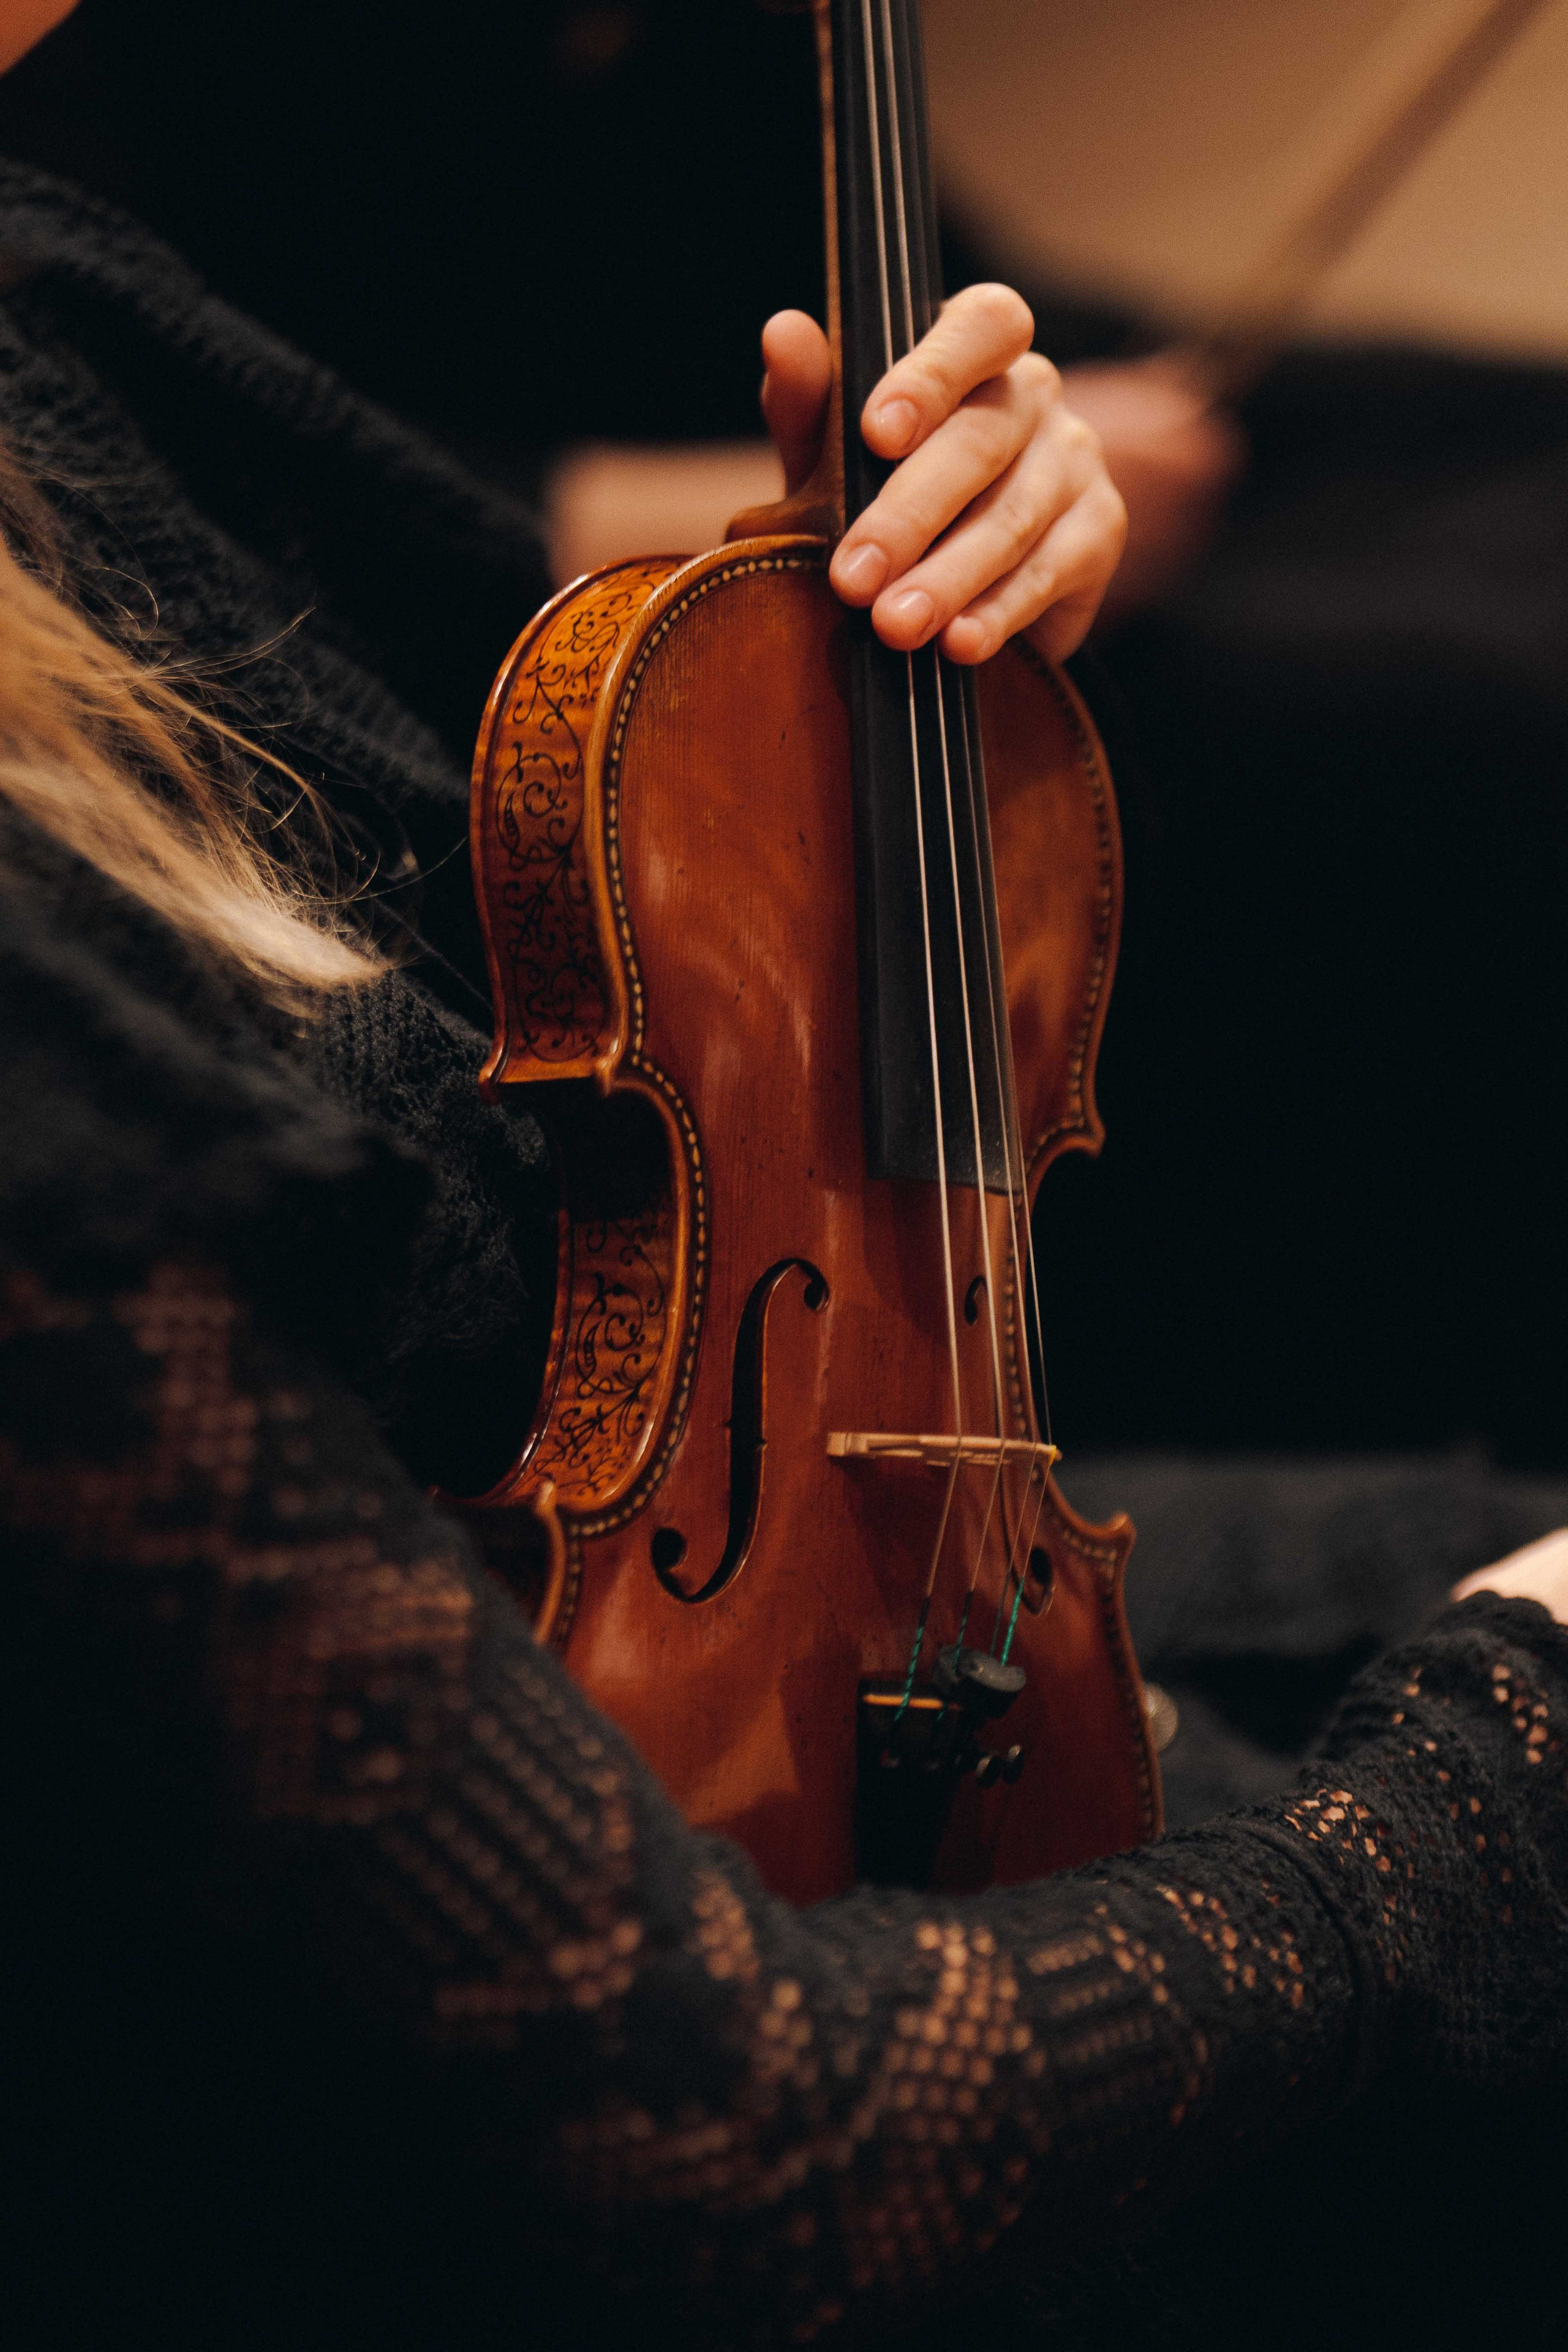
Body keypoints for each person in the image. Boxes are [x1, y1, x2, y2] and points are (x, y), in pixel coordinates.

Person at [1, 3, 1565, 2346]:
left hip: (734, 1548)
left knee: (1477, 1489)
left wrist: (901, 582)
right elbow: (741, 2129)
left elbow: (522, 739)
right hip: (604, 1993)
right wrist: (1503, 1737)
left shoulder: (39, 314)